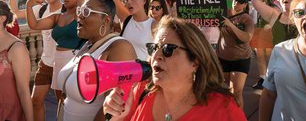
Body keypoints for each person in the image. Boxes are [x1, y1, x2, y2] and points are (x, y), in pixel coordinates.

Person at [103, 17, 247, 121]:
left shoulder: (224, 109)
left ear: (195, 62)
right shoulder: (140, 91)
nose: (156, 56)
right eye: (154, 48)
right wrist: (117, 118)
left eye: (168, 49)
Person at [57, 0, 137, 121]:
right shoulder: (87, 45)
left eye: (86, 12)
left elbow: (114, 110)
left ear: (105, 20)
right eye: (79, 11)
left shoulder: (119, 49)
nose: (79, 16)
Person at [25, 0, 86, 117]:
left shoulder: (81, 15)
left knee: (68, 103)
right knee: (57, 102)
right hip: (54, 62)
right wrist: (28, 5)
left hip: (72, 62)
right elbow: (34, 25)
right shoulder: (58, 17)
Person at [7, 0, 63, 121]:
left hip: (62, 64)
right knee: (35, 101)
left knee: (62, 103)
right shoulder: (41, 9)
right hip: (45, 63)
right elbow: (16, 13)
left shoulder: (67, 11)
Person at [216, 0, 254, 109]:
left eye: (239, 2)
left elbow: (247, 38)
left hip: (241, 58)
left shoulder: (247, 19)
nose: (235, 4)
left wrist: (231, 25)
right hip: (223, 57)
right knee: (225, 90)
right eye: (234, 1)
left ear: (244, 5)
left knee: (236, 92)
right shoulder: (224, 13)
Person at [251, 0, 280, 90]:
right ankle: (262, 78)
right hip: (260, 32)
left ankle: (271, 78)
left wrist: (270, 25)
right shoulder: (258, 7)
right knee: (260, 56)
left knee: (269, 56)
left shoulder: (273, 7)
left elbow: (277, 15)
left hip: (270, 34)